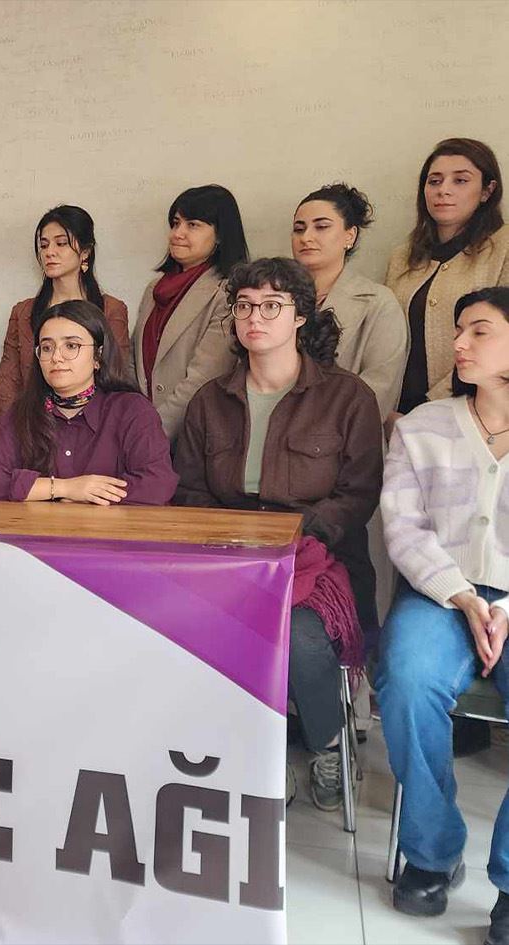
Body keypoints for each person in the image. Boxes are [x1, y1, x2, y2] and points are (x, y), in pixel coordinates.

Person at [174, 257, 382, 811]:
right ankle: (249, 750)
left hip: (316, 556)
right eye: (244, 306)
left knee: (302, 634)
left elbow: (359, 494)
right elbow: (188, 490)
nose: (255, 317)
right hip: (228, 556)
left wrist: (294, 535)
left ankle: (328, 745)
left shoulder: (347, 397)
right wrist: (232, 538)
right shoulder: (209, 401)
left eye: (271, 306)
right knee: (180, 620)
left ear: (300, 316)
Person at [374, 286, 509, 932]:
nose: (458, 343)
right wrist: (462, 595)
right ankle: (431, 852)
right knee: (405, 682)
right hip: (440, 593)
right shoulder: (423, 425)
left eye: (479, 330)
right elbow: (403, 528)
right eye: (458, 329)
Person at [0, 300, 174, 504]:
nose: (56, 357)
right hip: (39, 525)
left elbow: (157, 484)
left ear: (98, 356)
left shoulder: (132, 410)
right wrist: (65, 488)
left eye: (71, 346)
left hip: (111, 525)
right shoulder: (23, 412)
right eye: (47, 347)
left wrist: (88, 496)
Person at [386, 137, 509, 422]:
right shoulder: (402, 256)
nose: (444, 190)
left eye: (460, 180)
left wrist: (431, 409)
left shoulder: (503, 247)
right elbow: (385, 336)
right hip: (396, 409)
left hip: (474, 410)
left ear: (487, 191)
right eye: (435, 181)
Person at [132, 184, 250, 439]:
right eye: (176, 223)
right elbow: (133, 362)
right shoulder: (155, 289)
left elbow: (203, 378)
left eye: (193, 225)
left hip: (191, 434)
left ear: (220, 235)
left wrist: (152, 436)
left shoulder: (229, 292)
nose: (178, 233)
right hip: (140, 429)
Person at [0, 206, 131, 417]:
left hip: (96, 425)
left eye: (61, 243)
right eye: (44, 245)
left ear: (85, 252)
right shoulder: (23, 312)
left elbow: (117, 377)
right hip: (34, 423)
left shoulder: (111, 310)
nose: (49, 252)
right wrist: (13, 429)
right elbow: (8, 383)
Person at [293, 183, 409, 420]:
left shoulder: (378, 302)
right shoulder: (272, 297)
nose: (306, 237)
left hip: (342, 432)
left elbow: (379, 390)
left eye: (321, 227)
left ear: (350, 235)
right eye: (299, 229)